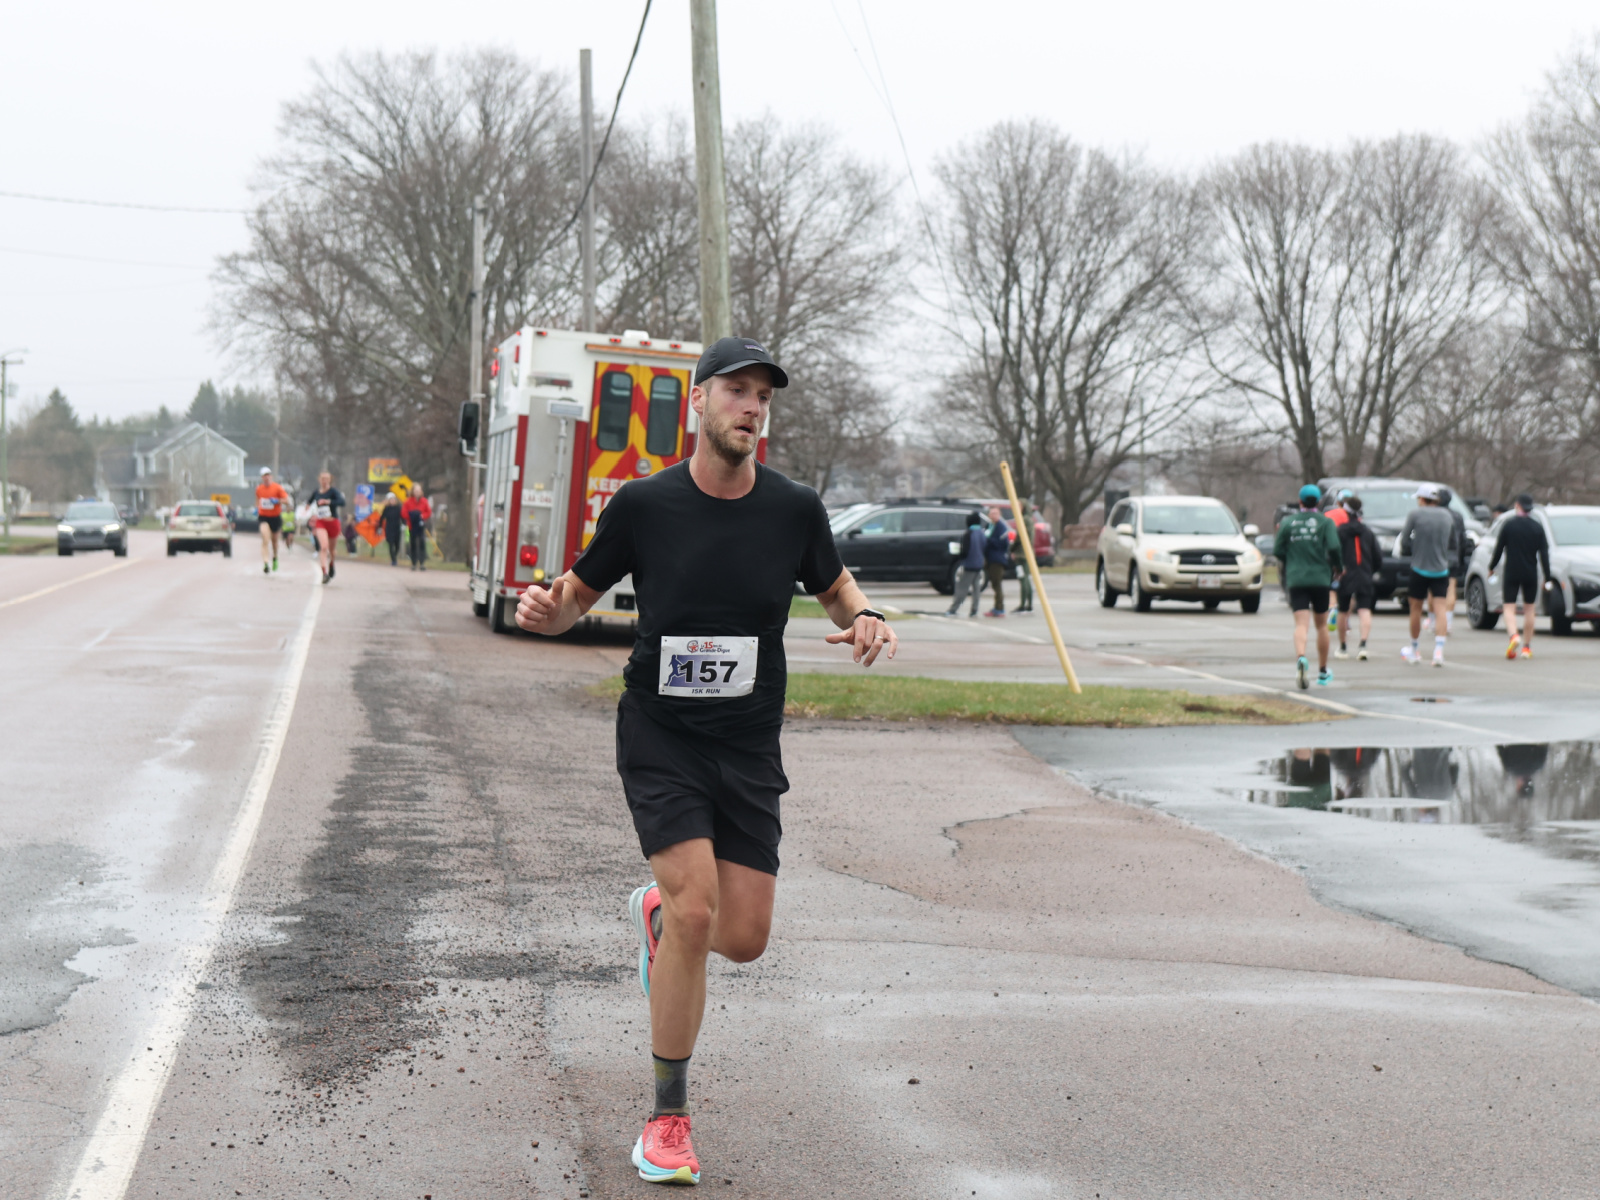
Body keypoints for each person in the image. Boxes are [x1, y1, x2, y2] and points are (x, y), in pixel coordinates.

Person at [514, 336, 897, 1187]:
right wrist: (549, 614)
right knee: (697, 914)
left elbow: (834, 585)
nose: (752, 408)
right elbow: (577, 592)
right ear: (699, 401)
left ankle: (655, 917)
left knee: (744, 937)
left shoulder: (794, 509)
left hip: (749, 743)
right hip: (662, 736)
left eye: (763, 396)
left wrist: (867, 614)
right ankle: (666, 1120)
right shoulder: (646, 506)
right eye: (737, 391)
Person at [1273, 483, 1343, 689]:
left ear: (1300, 501)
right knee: (1321, 625)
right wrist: (1338, 567)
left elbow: (1278, 550)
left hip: (1296, 579)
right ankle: (1322, 671)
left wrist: (1292, 560)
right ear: (1319, 502)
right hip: (1320, 579)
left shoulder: (1288, 522)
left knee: (1301, 624)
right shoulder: (1325, 522)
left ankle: (1301, 657)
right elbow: (1334, 546)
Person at [1398, 483, 1459, 666]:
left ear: (1423, 499)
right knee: (1440, 608)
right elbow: (1453, 543)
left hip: (1419, 568)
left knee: (1415, 608)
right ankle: (1438, 651)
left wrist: (1413, 550)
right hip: (1441, 569)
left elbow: (1405, 539)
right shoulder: (1447, 516)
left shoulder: (1415, 514)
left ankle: (1415, 649)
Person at [1488, 492, 1552, 660]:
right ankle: (1526, 647)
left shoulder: (1509, 525)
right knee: (1529, 609)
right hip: (1531, 572)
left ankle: (1513, 636)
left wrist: (1491, 567)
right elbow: (1544, 554)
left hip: (1512, 571)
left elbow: (1498, 549)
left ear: (1517, 505)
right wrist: (1548, 577)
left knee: (1509, 607)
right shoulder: (1537, 528)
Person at [1334, 495, 1383, 660]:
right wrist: (1371, 570)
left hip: (1345, 575)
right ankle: (1363, 644)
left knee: (1343, 610)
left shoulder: (1340, 531)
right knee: (1364, 609)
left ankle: (1342, 646)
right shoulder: (1368, 532)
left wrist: (1337, 570)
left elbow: (1333, 553)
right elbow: (1378, 557)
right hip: (1364, 574)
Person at [1432, 486, 1469, 635]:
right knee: (1451, 587)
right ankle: (1448, 622)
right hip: (1453, 556)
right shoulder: (1457, 516)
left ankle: (1434, 620)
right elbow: (1462, 538)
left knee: (1433, 590)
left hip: (1436, 556)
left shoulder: (1434, 514)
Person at [944, 510, 987, 618]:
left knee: (962, 588)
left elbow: (965, 551)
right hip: (979, 565)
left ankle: (953, 609)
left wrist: (958, 554)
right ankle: (974, 609)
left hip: (969, 565)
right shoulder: (982, 533)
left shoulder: (968, 534)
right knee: (976, 589)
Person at [307, 471, 346, 585]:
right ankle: (324, 573)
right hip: (321, 523)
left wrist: (328, 501)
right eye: (322, 478)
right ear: (319, 479)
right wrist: (307, 509)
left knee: (332, 550)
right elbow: (309, 502)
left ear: (330, 480)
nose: (324, 481)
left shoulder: (333, 491)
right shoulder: (316, 492)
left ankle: (331, 564)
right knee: (324, 547)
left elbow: (342, 502)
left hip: (333, 522)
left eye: (327, 479)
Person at [254, 466, 290, 575]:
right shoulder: (259, 489)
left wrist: (277, 501)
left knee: (274, 541)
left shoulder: (277, 488)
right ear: (262, 478)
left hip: (275, 517)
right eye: (264, 476)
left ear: (271, 476)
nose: (267, 478)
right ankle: (265, 563)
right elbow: (257, 500)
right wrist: (256, 509)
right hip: (264, 516)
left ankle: (275, 557)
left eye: (268, 475)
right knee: (265, 538)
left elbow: (287, 500)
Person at [1324, 489, 1352, 629]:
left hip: (1331, 554)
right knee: (1348, 589)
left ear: (1338, 502)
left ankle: (1333, 608)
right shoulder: (1353, 516)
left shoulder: (1328, 515)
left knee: (1332, 587)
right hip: (1349, 556)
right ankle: (1346, 619)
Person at [983, 505, 1010, 616]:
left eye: (995, 513)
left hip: (997, 559)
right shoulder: (989, 526)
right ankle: (996, 607)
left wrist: (990, 540)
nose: (993, 515)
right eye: (991, 513)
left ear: (999, 515)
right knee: (994, 584)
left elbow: (1003, 544)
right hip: (989, 558)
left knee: (997, 583)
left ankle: (1000, 608)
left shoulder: (1001, 528)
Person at [402, 487, 432, 570]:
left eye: (418, 491)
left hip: (421, 525)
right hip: (412, 525)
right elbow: (403, 513)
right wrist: (411, 516)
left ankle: (422, 562)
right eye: (415, 491)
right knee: (413, 544)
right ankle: (414, 563)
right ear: (413, 492)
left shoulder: (424, 501)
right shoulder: (408, 502)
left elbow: (428, 512)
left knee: (422, 543)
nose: (417, 493)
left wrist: (422, 516)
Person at [378, 492, 404, 566]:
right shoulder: (386, 509)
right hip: (389, 528)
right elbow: (382, 518)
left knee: (397, 545)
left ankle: (394, 556)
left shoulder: (398, 508)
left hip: (397, 527)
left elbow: (402, 517)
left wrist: (404, 524)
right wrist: (380, 527)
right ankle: (393, 560)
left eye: (393, 499)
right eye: (390, 500)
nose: (392, 501)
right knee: (390, 543)